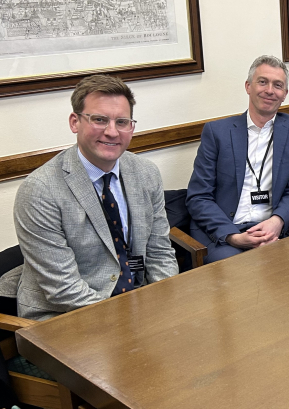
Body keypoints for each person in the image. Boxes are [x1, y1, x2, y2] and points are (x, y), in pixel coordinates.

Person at [13, 75, 178, 321]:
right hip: (64, 317)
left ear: (131, 127)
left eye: (121, 122)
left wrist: (165, 303)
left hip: (138, 301)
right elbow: (64, 290)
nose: (112, 132)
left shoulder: (146, 173)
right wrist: (130, 321)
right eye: (99, 119)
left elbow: (159, 253)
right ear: (74, 122)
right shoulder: (40, 191)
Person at [186, 55, 289, 263]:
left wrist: (277, 222)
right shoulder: (217, 132)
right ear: (248, 86)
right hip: (223, 233)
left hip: (270, 230)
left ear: (285, 94)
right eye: (262, 82)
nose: (270, 90)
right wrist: (234, 236)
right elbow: (198, 197)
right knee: (241, 275)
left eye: (277, 85)